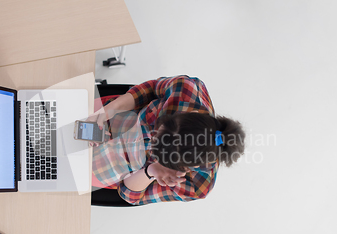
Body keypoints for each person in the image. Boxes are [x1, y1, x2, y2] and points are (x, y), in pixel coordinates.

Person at [87, 75, 245, 205]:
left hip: (104, 168)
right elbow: (152, 88)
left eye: (155, 151)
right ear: (183, 116)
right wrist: (106, 112)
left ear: (188, 166)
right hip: (110, 118)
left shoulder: (197, 185)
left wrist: (151, 172)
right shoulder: (186, 89)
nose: (152, 137)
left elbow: (130, 195)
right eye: (160, 128)